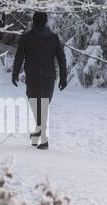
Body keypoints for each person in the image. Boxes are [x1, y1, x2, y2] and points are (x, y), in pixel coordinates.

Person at [11, 12, 67, 150]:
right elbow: (61, 58)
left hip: (33, 76)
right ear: (46, 21)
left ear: (33, 21)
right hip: (49, 77)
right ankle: (37, 136)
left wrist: (15, 73)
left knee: (38, 107)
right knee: (43, 107)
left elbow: (19, 57)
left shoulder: (26, 37)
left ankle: (43, 140)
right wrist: (63, 77)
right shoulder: (53, 38)